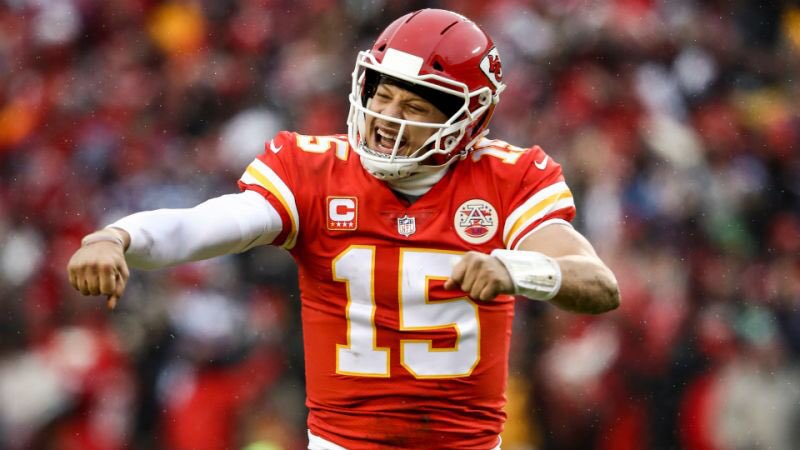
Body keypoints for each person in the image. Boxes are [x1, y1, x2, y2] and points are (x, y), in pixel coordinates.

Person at [67, 8, 619, 449]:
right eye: (382, 93)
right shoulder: (313, 170)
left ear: (466, 120)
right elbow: (208, 224)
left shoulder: (508, 178)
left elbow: (598, 285)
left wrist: (515, 269)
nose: (386, 117)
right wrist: (118, 236)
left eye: (413, 105)